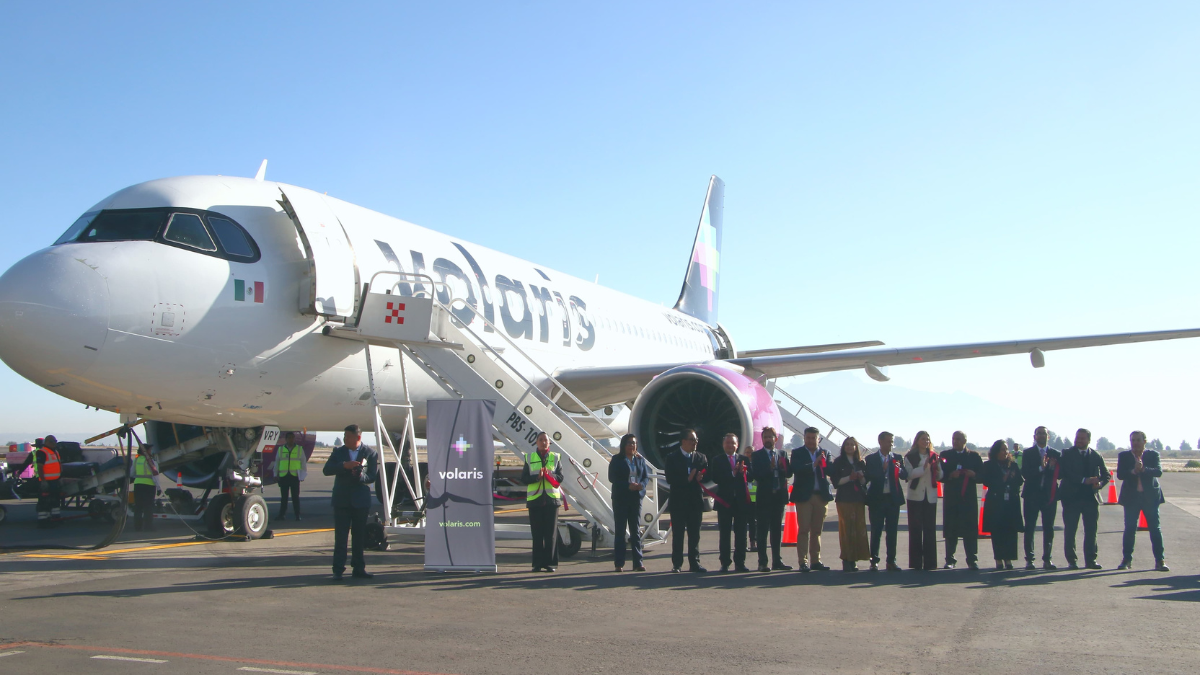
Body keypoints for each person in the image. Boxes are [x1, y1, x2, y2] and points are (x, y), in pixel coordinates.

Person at [323, 424, 380, 580]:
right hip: (342, 500)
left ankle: (358, 568)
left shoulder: (370, 453)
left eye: (348, 436)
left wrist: (360, 476)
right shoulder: (338, 452)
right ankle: (338, 570)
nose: (345, 439)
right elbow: (327, 470)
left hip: (360, 501)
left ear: (358, 437)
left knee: (359, 537)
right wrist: (344, 466)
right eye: (344, 436)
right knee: (341, 537)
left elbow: (372, 476)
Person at [1116, 431, 1167, 571]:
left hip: (1150, 497)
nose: (1135, 443)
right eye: (1133, 440)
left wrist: (1143, 469)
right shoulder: (1124, 456)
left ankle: (1160, 560)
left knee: (1155, 529)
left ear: (1144, 441)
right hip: (1131, 498)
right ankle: (1126, 559)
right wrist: (1133, 471)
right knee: (1130, 528)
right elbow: (1120, 474)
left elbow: (1158, 472)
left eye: (1138, 440)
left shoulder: (1152, 455)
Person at [1059, 428, 1108, 570]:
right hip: (1071, 498)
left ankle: (1091, 560)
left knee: (1091, 531)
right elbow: (1065, 473)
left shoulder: (1096, 455)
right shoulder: (1067, 453)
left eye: (1082, 438)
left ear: (1088, 440)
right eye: (1077, 438)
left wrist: (1100, 484)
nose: (1079, 440)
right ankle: (1072, 561)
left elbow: (1106, 475)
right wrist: (1083, 480)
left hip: (1090, 499)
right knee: (1070, 530)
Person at [789, 427, 834, 572]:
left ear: (818, 439)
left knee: (817, 530)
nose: (810, 441)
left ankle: (816, 560)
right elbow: (796, 469)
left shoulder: (825, 453)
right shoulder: (797, 453)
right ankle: (803, 561)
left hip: (820, 496)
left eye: (813, 438)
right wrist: (814, 464)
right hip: (804, 497)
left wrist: (825, 463)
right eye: (808, 438)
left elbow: (830, 470)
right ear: (804, 438)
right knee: (803, 530)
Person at [664, 428, 707, 573]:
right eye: (692, 440)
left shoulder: (701, 457)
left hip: (695, 501)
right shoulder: (672, 457)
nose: (695, 443)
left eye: (696, 440)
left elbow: (708, 474)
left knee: (695, 534)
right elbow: (670, 478)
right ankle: (677, 564)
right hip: (679, 501)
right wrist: (687, 479)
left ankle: (695, 563)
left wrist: (701, 477)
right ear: (683, 441)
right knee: (678, 534)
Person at [865, 431, 908, 571]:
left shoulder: (897, 458)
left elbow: (905, 475)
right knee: (876, 531)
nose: (891, 444)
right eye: (888, 441)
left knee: (892, 531)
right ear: (880, 442)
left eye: (892, 442)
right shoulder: (871, 459)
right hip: (877, 500)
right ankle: (874, 561)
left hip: (892, 499)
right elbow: (869, 475)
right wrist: (882, 470)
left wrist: (899, 470)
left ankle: (891, 561)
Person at [751, 427, 792, 572]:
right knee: (762, 531)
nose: (768, 439)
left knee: (776, 530)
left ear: (776, 439)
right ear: (762, 439)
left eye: (770, 437)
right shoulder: (757, 455)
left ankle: (777, 561)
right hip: (764, 498)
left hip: (778, 497)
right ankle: (762, 562)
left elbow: (788, 473)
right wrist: (770, 468)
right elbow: (756, 475)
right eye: (765, 437)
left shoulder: (782, 454)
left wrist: (782, 468)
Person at [522, 431, 564, 573]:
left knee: (551, 534)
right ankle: (537, 564)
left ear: (549, 442)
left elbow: (560, 477)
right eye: (540, 440)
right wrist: (537, 477)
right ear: (536, 442)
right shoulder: (529, 457)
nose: (543, 442)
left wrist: (550, 475)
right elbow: (524, 478)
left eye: (545, 440)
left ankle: (551, 563)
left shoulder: (555, 457)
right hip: (535, 500)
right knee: (537, 534)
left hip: (551, 500)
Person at [608, 433, 651, 572]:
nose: (632, 445)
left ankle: (638, 562)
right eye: (629, 443)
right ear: (623, 445)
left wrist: (641, 485)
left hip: (635, 497)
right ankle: (619, 563)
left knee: (635, 531)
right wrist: (628, 485)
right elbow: (612, 478)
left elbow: (645, 477)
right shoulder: (617, 459)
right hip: (621, 498)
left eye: (634, 443)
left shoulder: (639, 460)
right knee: (620, 530)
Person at [1020, 426, 1061, 570]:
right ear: (1034, 436)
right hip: (1031, 495)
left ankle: (1047, 559)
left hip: (1049, 496)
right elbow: (1025, 473)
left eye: (1044, 433)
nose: (1041, 436)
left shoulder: (1056, 454)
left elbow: (1060, 475)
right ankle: (1029, 559)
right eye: (1039, 433)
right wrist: (1041, 468)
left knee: (1048, 528)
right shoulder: (1028, 453)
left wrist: (1052, 467)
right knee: (1029, 527)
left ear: (1048, 436)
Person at [710, 432, 752, 573]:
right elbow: (715, 478)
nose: (730, 445)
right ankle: (725, 562)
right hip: (724, 502)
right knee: (725, 534)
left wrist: (744, 472)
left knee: (741, 534)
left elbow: (751, 477)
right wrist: (732, 474)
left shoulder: (744, 459)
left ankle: (740, 563)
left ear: (737, 445)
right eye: (727, 443)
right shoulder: (717, 460)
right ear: (723, 445)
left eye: (732, 443)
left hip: (740, 502)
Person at [982, 440, 1024, 570]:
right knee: (997, 531)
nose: (1005, 452)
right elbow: (986, 481)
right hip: (995, 502)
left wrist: (1012, 478)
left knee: (1010, 531)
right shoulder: (989, 465)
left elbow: (1020, 481)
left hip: (1010, 502)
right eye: (1002, 449)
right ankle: (999, 559)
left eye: (1006, 449)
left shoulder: (1012, 464)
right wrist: (1002, 480)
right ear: (996, 451)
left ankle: (1008, 559)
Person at [830, 437, 870, 571]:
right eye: (847, 444)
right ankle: (847, 559)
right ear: (843, 447)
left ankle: (855, 558)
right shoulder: (838, 462)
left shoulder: (860, 462)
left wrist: (861, 477)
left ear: (856, 447)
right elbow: (836, 482)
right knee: (846, 529)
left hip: (858, 498)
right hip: (844, 499)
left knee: (858, 529)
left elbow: (865, 482)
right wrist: (849, 478)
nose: (849, 446)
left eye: (852, 444)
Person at [903, 431, 940, 571]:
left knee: (930, 529)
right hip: (915, 496)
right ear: (917, 441)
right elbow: (909, 475)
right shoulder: (910, 457)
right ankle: (916, 562)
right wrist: (922, 468)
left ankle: (930, 562)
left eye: (927, 439)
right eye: (923, 439)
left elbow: (939, 475)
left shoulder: (934, 456)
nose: (926, 441)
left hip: (930, 496)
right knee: (915, 529)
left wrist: (938, 471)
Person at [28, 435, 63, 528]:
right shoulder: (42, 452)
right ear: (46, 442)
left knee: (55, 500)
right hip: (46, 481)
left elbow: (58, 465)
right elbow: (40, 467)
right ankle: (43, 520)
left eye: (55, 441)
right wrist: (43, 481)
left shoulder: (55, 452)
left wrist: (60, 478)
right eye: (52, 441)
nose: (54, 443)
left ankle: (55, 518)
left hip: (55, 481)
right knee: (44, 502)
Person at [272, 431, 307, 521]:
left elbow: (303, 463)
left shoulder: (299, 449)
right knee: (284, 497)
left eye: (292, 438)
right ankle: (282, 515)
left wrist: (302, 475)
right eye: (289, 438)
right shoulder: (281, 449)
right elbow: (277, 462)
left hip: (294, 476)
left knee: (295, 497)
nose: (291, 439)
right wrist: (275, 474)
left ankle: (297, 515)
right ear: (286, 439)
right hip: (284, 476)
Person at [132, 442, 159, 532]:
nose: (151, 451)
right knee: (148, 507)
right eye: (150, 450)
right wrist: (159, 488)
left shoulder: (136, 460)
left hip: (138, 485)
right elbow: (155, 475)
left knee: (138, 507)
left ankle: (137, 527)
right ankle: (148, 526)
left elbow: (132, 473)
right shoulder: (151, 461)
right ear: (146, 451)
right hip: (149, 486)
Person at [742, 444, 757, 552]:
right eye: (747, 452)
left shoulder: (757, 465)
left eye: (751, 452)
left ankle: (753, 542)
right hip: (744, 497)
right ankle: (743, 543)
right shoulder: (742, 465)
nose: (749, 454)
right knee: (743, 522)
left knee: (753, 522)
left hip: (754, 498)